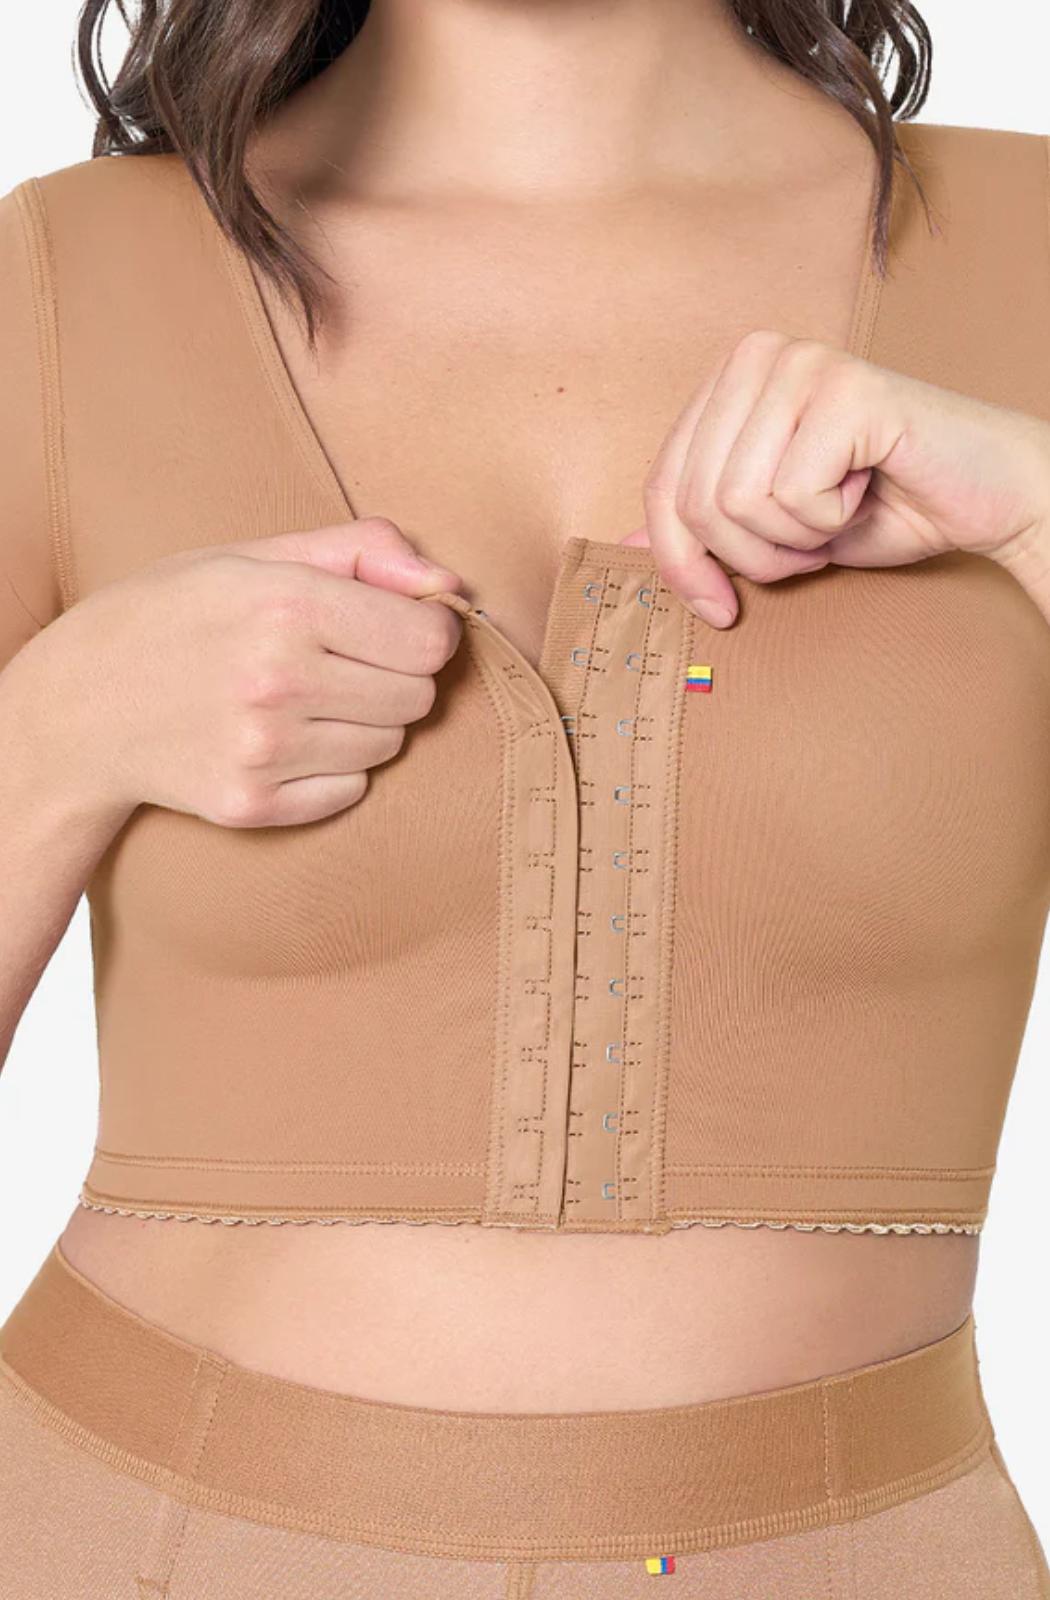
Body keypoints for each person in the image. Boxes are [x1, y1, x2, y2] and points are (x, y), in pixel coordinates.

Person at [1, 1, 1049, 1594]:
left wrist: (1033, 507)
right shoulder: (61, 281)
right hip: (119, 1535)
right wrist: (57, 733)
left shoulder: (1031, 247)